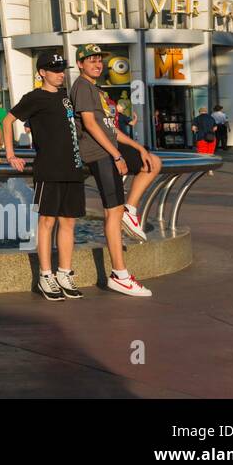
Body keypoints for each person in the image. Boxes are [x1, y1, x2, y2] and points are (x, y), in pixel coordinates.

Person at [68, 44, 157, 296]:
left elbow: (109, 128)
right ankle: (120, 275)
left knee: (153, 162)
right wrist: (117, 155)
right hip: (98, 154)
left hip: (109, 148)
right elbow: (90, 126)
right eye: (91, 60)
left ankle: (131, 208)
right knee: (112, 214)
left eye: (99, 60)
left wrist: (137, 147)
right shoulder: (82, 87)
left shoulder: (97, 89)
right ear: (80, 64)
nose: (98, 64)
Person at [3, 51, 87, 302]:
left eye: (62, 69)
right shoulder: (34, 98)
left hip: (73, 167)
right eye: (54, 69)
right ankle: (45, 275)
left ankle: (64, 273)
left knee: (69, 222)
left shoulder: (66, 97)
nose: (60, 73)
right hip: (49, 168)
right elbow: (7, 122)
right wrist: (10, 154)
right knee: (47, 222)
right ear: (42, 72)